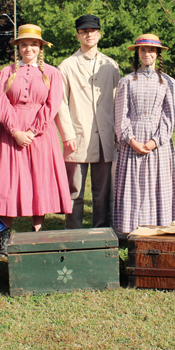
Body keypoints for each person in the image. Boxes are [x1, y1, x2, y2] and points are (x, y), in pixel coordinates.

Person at [0, 24, 71, 250]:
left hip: (40, 135)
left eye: (33, 44)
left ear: (40, 47)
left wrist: (33, 131)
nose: (28, 48)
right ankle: (5, 236)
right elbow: (1, 103)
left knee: (38, 179)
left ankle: (38, 233)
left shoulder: (52, 73)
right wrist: (15, 131)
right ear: (18, 48)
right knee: (7, 180)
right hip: (10, 132)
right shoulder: (6, 72)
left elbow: (52, 104)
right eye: (24, 44)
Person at [113, 34, 175, 235]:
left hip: (157, 143)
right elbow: (121, 115)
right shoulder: (126, 81)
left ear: (158, 53)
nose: (147, 54)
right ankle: (130, 228)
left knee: (156, 184)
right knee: (134, 185)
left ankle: (159, 227)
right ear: (137, 53)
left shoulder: (168, 82)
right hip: (132, 139)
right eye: (142, 50)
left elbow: (170, 116)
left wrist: (155, 141)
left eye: (151, 50)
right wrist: (131, 141)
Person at [56, 15, 120, 229]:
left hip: (105, 136)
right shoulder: (66, 66)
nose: (89, 34)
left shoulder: (111, 65)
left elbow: (117, 100)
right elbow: (60, 104)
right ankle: (73, 232)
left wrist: (117, 132)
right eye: (84, 31)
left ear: (100, 34)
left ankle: (102, 232)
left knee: (103, 192)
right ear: (78, 35)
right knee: (75, 191)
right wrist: (68, 134)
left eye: (93, 30)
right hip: (77, 136)